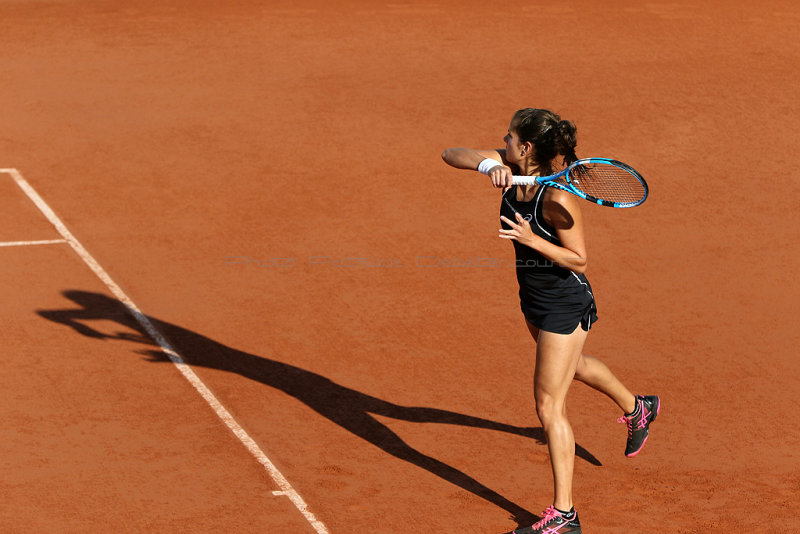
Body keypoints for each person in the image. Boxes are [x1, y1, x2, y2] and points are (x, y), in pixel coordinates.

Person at [441, 108, 660, 534]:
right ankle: (639, 408)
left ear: (525, 147)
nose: (501, 142)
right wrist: (488, 165)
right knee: (572, 367)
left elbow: (579, 259)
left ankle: (565, 516)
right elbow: (451, 153)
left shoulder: (557, 198)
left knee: (549, 405)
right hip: (534, 299)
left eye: (507, 140)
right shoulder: (510, 168)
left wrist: (531, 239)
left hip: (564, 303)